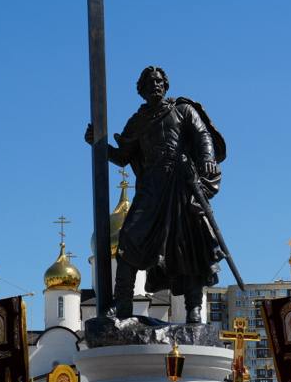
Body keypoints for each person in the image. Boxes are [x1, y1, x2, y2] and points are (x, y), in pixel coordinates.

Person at [91, 64, 226, 322]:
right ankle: (123, 307)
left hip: (180, 185)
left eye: (159, 81)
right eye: (149, 82)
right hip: (152, 187)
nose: (155, 85)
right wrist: (99, 145)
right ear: (141, 90)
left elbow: (202, 136)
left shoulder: (183, 110)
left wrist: (207, 157)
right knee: (129, 238)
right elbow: (123, 157)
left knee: (188, 246)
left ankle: (193, 308)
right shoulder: (138, 121)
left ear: (165, 86)